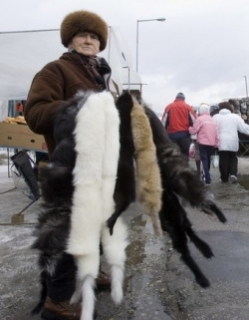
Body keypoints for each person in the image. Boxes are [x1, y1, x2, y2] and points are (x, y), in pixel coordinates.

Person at [24, 10, 117, 320]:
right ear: (70, 39)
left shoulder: (102, 76)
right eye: (82, 35)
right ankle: (57, 299)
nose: (88, 40)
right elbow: (36, 114)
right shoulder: (56, 70)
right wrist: (82, 106)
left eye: (94, 36)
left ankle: (91, 273)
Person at [213, 101, 249, 183]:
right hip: (233, 141)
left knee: (223, 159)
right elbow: (243, 128)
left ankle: (224, 177)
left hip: (221, 141)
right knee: (233, 157)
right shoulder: (235, 117)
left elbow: (212, 129)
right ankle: (233, 174)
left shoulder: (215, 117)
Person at [189, 103, 219, 185]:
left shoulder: (200, 119)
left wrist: (189, 129)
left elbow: (194, 130)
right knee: (207, 159)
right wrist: (216, 143)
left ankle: (207, 178)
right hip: (211, 143)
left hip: (202, 142)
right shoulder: (212, 119)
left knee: (204, 160)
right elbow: (216, 133)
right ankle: (206, 174)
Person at [161, 92, 196, 160]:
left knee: (173, 156)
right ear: (183, 99)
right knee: (185, 156)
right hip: (185, 136)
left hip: (172, 136)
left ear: (176, 98)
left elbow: (163, 123)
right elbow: (194, 122)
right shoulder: (188, 107)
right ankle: (185, 169)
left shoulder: (169, 107)